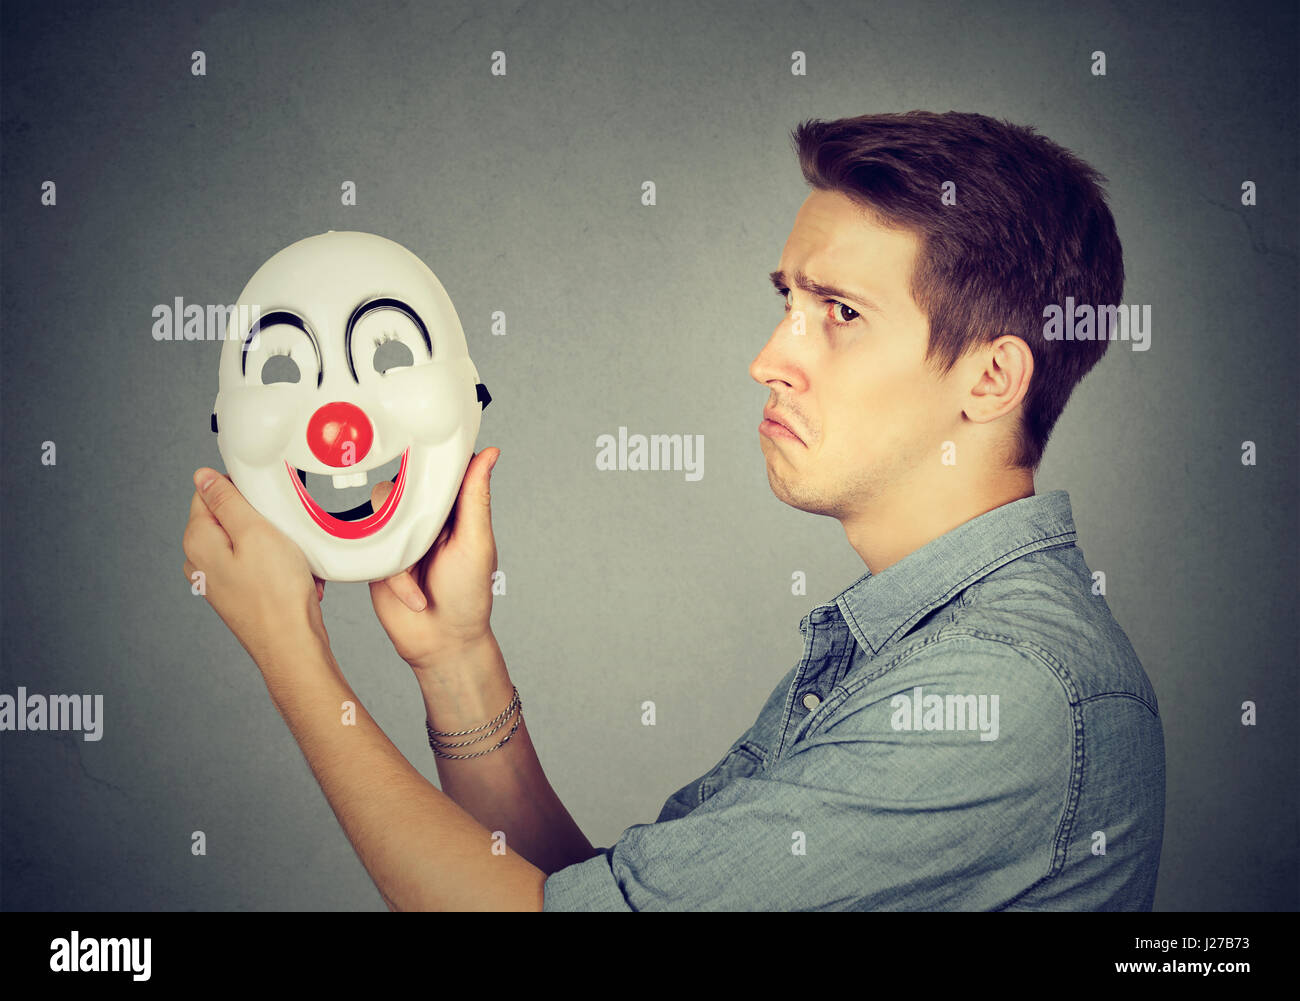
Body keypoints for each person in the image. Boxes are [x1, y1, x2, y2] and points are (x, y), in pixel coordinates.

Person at [182, 110, 1165, 911]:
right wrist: (455, 655)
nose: (769, 357)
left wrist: (288, 645)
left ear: (990, 376)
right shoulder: (905, 649)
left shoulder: (1001, 695)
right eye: (786, 297)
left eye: (840, 313)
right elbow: (589, 897)